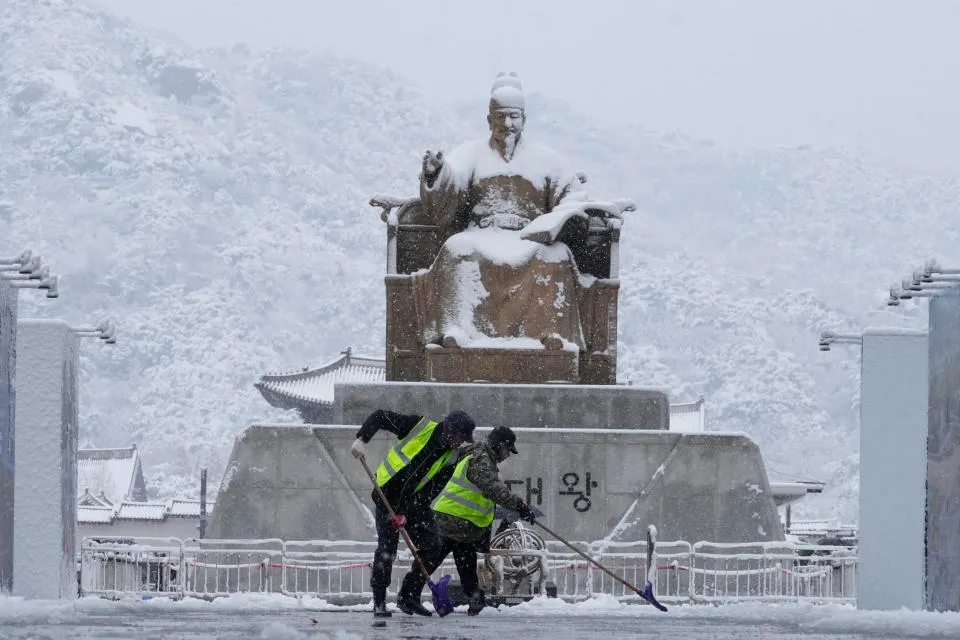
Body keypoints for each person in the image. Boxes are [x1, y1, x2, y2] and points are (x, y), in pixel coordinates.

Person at [409, 71, 609, 351]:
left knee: (556, 256)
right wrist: (436, 174)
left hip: (530, 237)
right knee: (456, 249)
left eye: (514, 116)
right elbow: (451, 183)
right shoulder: (472, 154)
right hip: (481, 233)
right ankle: (457, 330)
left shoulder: (547, 160)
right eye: (500, 116)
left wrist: (557, 220)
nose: (507, 123)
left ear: (524, 120)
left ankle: (550, 333)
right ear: (489, 119)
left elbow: (573, 196)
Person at [397, 425, 540, 616]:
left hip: (461, 522)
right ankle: (411, 596)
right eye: (507, 450)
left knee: (457, 561)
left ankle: (468, 599)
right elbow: (492, 487)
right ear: (498, 445)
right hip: (453, 519)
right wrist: (520, 506)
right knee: (438, 559)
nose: (507, 455)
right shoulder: (480, 459)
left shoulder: (478, 455)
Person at [350, 408, 476, 618]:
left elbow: (432, 489)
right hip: (386, 495)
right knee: (387, 550)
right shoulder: (420, 426)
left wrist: (407, 513)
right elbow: (381, 416)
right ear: (449, 430)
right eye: (459, 437)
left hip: (414, 503)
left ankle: (408, 595)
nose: (460, 443)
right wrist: (362, 439)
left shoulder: (452, 457)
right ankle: (379, 601)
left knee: (433, 545)